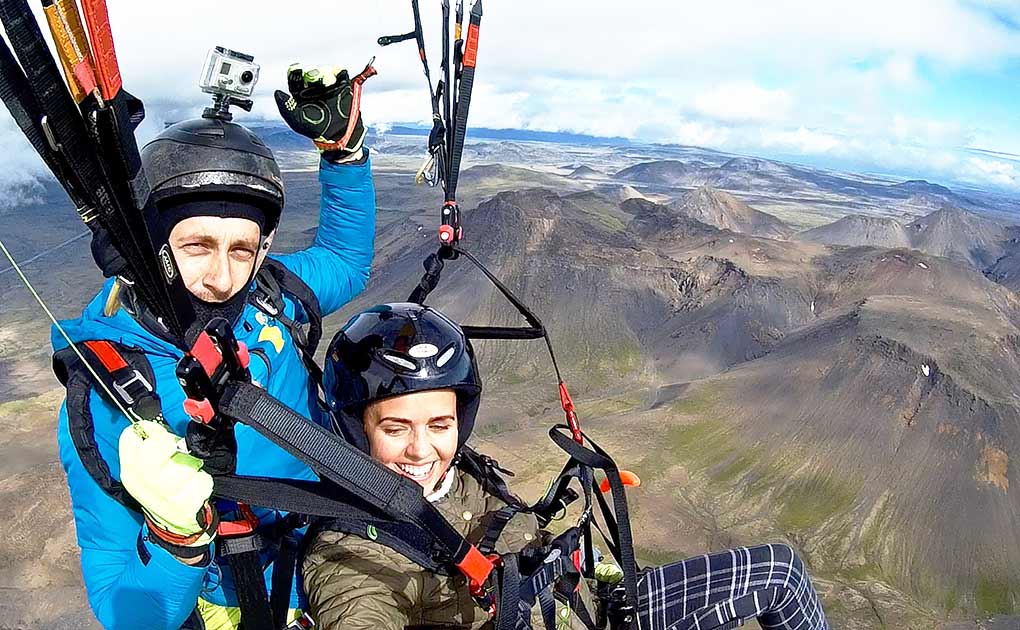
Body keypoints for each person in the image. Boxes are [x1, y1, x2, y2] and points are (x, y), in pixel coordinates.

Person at [52, 64, 375, 630]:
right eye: (198, 245)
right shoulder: (106, 395)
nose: (223, 278)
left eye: (241, 249)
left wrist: (343, 153)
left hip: (337, 560)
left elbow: (345, 264)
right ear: (151, 248)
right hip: (229, 599)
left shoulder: (270, 296)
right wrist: (175, 541)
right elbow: (124, 612)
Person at [303, 303, 832, 630]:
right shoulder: (352, 552)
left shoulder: (458, 476)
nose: (422, 451)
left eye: (439, 425)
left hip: (598, 606)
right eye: (396, 429)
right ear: (356, 429)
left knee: (779, 570)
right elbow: (357, 610)